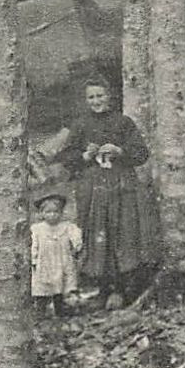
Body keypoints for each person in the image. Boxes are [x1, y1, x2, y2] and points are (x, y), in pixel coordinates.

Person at [54, 76, 159, 309]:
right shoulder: (80, 125)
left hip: (121, 186)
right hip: (92, 189)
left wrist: (119, 150)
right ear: (85, 100)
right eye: (91, 97)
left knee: (121, 233)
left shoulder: (123, 123)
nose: (96, 101)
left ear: (110, 96)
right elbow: (66, 159)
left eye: (100, 95)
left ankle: (122, 289)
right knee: (96, 234)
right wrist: (85, 156)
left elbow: (141, 153)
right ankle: (102, 288)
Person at [29, 192, 82, 318]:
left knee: (62, 285)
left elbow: (76, 237)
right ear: (42, 213)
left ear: (61, 213)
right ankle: (41, 310)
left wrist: (76, 245)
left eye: (56, 212)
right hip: (45, 262)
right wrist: (34, 258)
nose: (52, 215)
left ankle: (61, 309)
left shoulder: (67, 227)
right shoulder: (37, 229)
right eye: (48, 212)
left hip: (62, 260)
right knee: (43, 286)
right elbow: (33, 244)